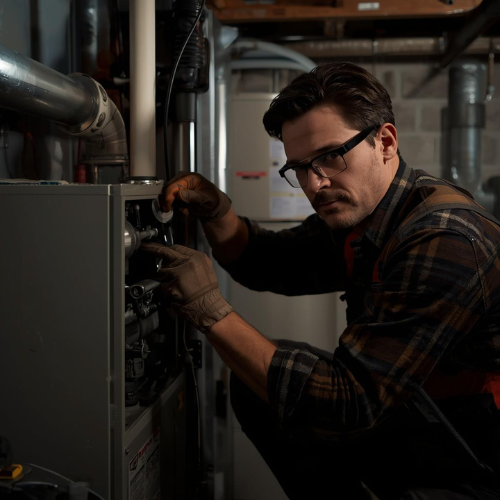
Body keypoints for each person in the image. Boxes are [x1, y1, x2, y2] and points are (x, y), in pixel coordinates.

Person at [143, 62, 500, 499]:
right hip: (420, 415)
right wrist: (218, 214)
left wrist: (208, 310)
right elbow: (271, 262)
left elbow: (350, 404)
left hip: (477, 453)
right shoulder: (366, 212)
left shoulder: (442, 239)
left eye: (331, 155)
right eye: (299, 167)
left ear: (385, 142)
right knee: (260, 389)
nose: (316, 183)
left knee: (291, 391)